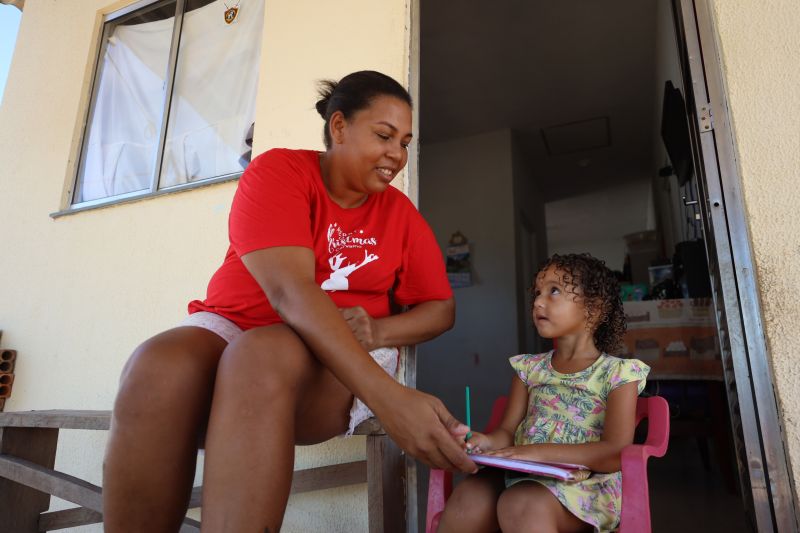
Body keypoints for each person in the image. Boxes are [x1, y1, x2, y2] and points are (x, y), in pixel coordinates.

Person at [103, 70, 477, 532]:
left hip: (312, 362)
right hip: (235, 328)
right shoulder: (280, 172)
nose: (396, 155)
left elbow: (441, 308)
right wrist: (392, 401)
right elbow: (289, 292)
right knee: (153, 366)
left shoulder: (402, 216)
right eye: (384, 136)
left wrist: (379, 331)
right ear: (338, 127)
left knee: (258, 356)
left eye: (404, 142)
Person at [437, 253, 650, 533]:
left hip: (583, 487)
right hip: (521, 474)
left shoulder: (618, 374)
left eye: (554, 291)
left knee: (521, 503)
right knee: (468, 499)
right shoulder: (529, 369)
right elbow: (507, 432)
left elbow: (614, 453)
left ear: (593, 309)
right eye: (537, 292)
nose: (538, 301)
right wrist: (484, 443)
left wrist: (532, 452)